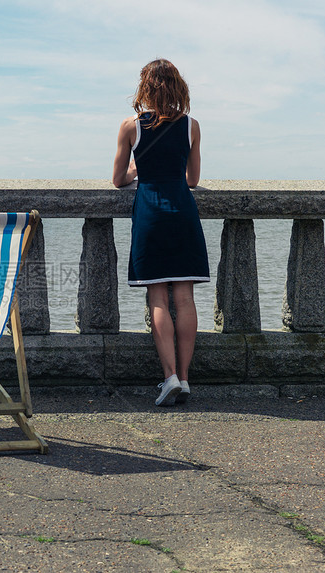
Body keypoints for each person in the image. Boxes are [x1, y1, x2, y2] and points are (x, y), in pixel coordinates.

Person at [112, 59, 209, 407]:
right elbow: (193, 180)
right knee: (184, 298)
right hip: (183, 212)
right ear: (178, 85)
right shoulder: (192, 126)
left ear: (145, 88)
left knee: (157, 298)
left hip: (150, 211)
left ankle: (168, 377)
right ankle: (184, 377)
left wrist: (139, 168)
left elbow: (118, 179)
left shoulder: (131, 126)